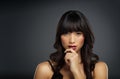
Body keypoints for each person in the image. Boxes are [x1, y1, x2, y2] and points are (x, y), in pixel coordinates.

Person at [33, 10, 108, 79]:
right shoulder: (44, 69)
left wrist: (76, 71)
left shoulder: (99, 68)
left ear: (85, 36)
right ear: (59, 36)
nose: (72, 40)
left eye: (78, 33)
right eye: (66, 33)